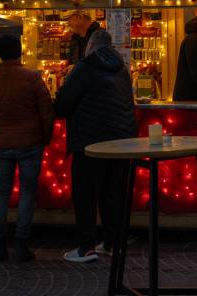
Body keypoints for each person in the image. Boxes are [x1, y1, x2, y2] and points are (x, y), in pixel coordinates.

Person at [55, 30, 137, 263]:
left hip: (90, 142)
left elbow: (62, 105)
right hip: (121, 142)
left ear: (90, 46)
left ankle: (86, 247)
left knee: (86, 195)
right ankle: (112, 243)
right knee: (113, 195)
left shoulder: (85, 68)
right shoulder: (122, 69)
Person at [0, 34, 54, 262]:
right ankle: (21, 245)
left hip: (2, 144)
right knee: (27, 194)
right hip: (30, 143)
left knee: (1, 194)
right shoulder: (32, 78)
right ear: (19, 51)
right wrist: (44, 136)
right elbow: (46, 111)